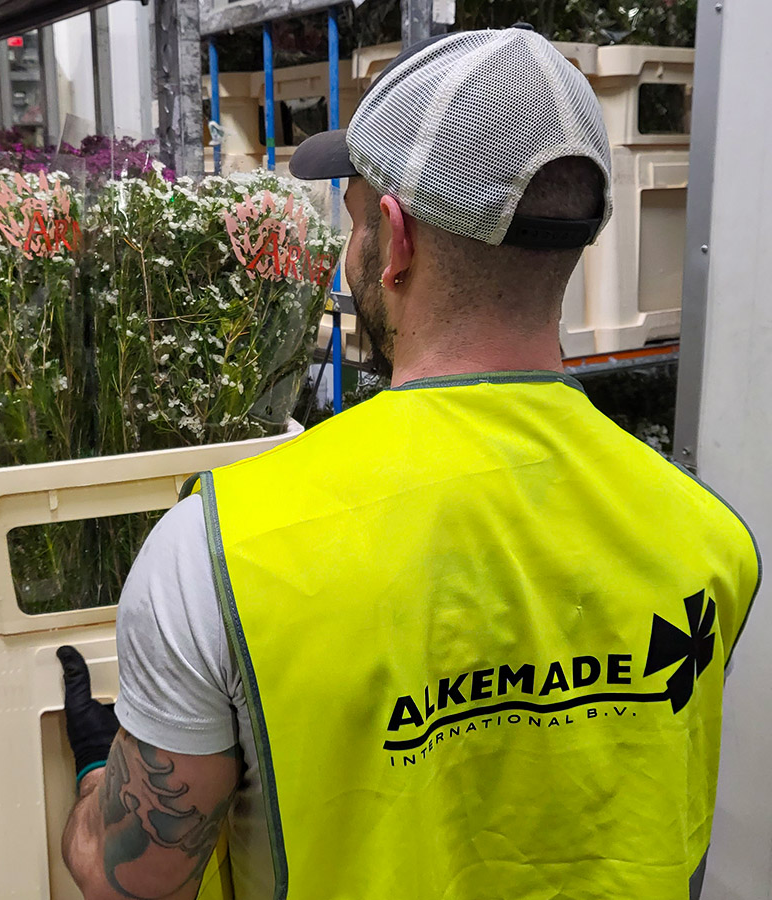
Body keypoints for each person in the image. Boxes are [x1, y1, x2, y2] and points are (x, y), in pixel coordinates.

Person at [58, 25, 762, 900]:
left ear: (394, 240)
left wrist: (97, 773)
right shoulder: (707, 539)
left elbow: (129, 880)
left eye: (352, 218)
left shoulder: (219, 552)